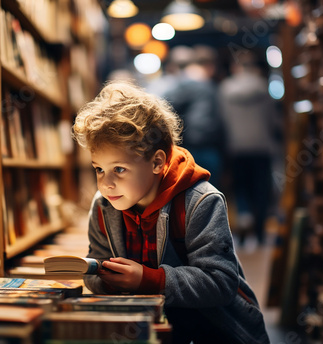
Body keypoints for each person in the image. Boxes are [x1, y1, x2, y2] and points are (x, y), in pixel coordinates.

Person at [72, 80, 269, 344]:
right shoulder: (104, 205)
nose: (106, 183)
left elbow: (220, 282)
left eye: (119, 169)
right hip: (150, 328)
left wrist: (149, 280)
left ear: (157, 162)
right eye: (99, 169)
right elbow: (96, 262)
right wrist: (108, 279)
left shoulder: (201, 202)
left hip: (216, 331)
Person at [218, 50, 282, 246]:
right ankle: (261, 232)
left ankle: (244, 218)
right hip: (261, 147)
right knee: (261, 190)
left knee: (240, 188)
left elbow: (222, 120)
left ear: (236, 68)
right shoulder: (263, 87)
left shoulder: (225, 88)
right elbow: (273, 120)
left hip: (236, 147)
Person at [147, 45, 226, 189]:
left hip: (192, 144)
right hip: (210, 144)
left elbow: (169, 107)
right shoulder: (211, 85)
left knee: (192, 189)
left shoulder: (183, 84)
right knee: (211, 187)